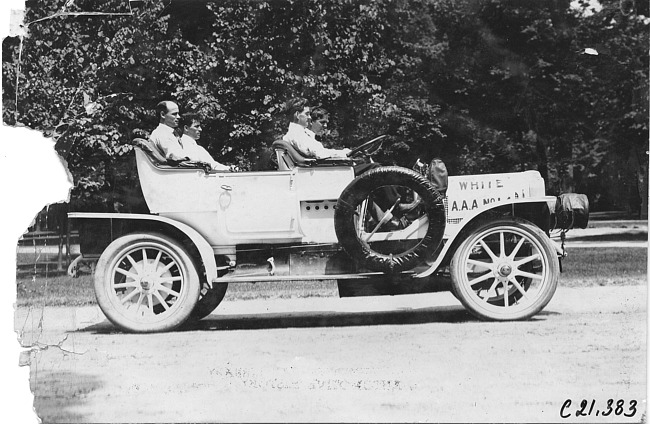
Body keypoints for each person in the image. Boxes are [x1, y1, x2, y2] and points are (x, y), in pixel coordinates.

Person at [150, 101, 229, 171]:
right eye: (174, 114)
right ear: (163, 115)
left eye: (178, 113)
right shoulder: (162, 133)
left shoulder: (167, 133)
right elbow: (174, 155)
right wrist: (196, 159)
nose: (178, 117)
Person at [282, 97, 350, 159]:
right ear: (297, 115)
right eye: (307, 114)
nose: (309, 117)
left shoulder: (297, 133)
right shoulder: (296, 134)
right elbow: (319, 153)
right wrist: (344, 153)